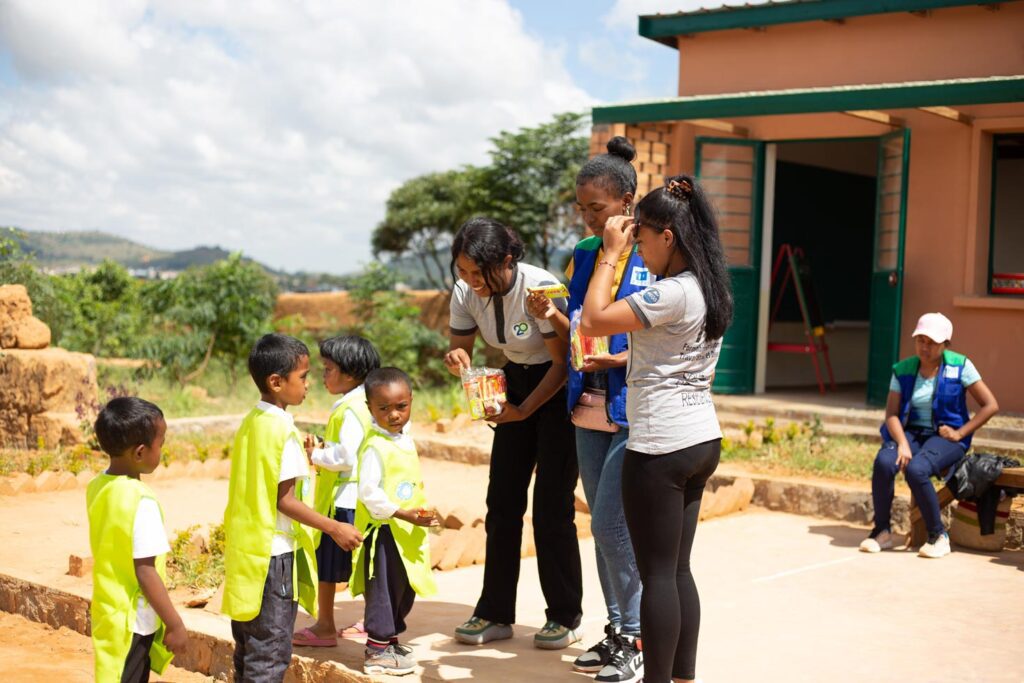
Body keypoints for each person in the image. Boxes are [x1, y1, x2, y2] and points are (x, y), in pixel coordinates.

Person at [580, 175, 733, 683]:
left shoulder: (672, 292)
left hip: (660, 446)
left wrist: (609, 253)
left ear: (668, 236)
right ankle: (683, 677)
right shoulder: (707, 286)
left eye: (642, 241)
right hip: (699, 438)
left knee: (658, 576)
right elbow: (672, 354)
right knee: (678, 570)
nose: (637, 252)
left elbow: (592, 319)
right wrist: (624, 357)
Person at [526, 136, 646, 682]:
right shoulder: (581, 255)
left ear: (625, 202)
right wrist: (550, 316)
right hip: (585, 408)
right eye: (581, 209)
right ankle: (617, 629)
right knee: (601, 525)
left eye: (595, 208)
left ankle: (637, 635)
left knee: (613, 525)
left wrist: (614, 359)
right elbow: (580, 328)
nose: (588, 217)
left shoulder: (655, 253)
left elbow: (660, 333)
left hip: (631, 407)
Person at [445, 217, 584, 650]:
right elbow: (461, 348)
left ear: (506, 261)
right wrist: (459, 364)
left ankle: (564, 616)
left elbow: (562, 364)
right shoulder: (466, 291)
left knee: (551, 508)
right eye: (462, 271)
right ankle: (495, 612)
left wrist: (524, 409)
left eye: (477, 272)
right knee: (502, 502)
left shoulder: (538, 289)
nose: (469, 281)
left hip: (556, 387)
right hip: (515, 380)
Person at [223, 333, 363, 682]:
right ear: (276, 381)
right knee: (269, 656)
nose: (309, 383)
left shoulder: (252, 421)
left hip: (246, 551)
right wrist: (335, 527)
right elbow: (285, 500)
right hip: (273, 556)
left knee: (248, 652)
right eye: (302, 376)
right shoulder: (281, 429)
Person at [860, 312, 999, 559]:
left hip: (945, 437)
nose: (925, 347)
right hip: (911, 433)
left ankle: (938, 536)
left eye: (932, 342)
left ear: (945, 343)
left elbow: (990, 405)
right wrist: (902, 443)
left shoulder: (960, 366)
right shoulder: (902, 370)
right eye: (920, 340)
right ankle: (881, 531)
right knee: (883, 462)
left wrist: (960, 433)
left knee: (917, 469)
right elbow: (891, 414)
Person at [87, 397, 189, 683]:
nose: (163, 450)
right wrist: (174, 623)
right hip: (134, 621)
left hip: (108, 611)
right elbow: (145, 572)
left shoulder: (97, 486)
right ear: (140, 452)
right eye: (161, 443)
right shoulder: (141, 501)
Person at [350, 367, 439, 676]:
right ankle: (376, 651)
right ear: (370, 408)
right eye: (383, 408)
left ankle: (389, 641)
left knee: (403, 588)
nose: (393, 414)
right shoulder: (375, 446)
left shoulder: (405, 439)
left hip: (405, 532)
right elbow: (368, 493)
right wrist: (403, 513)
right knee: (383, 591)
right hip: (385, 533)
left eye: (401, 406)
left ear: (411, 401)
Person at [292, 335, 380, 648]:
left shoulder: (349, 409)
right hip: (363, 498)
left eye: (328, 369)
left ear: (350, 373)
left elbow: (345, 457)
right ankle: (374, 620)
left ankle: (325, 624)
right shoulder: (368, 402)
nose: (323, 376)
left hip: (344, 500)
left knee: (329, 567)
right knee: (367, 565)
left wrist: (316, 455)